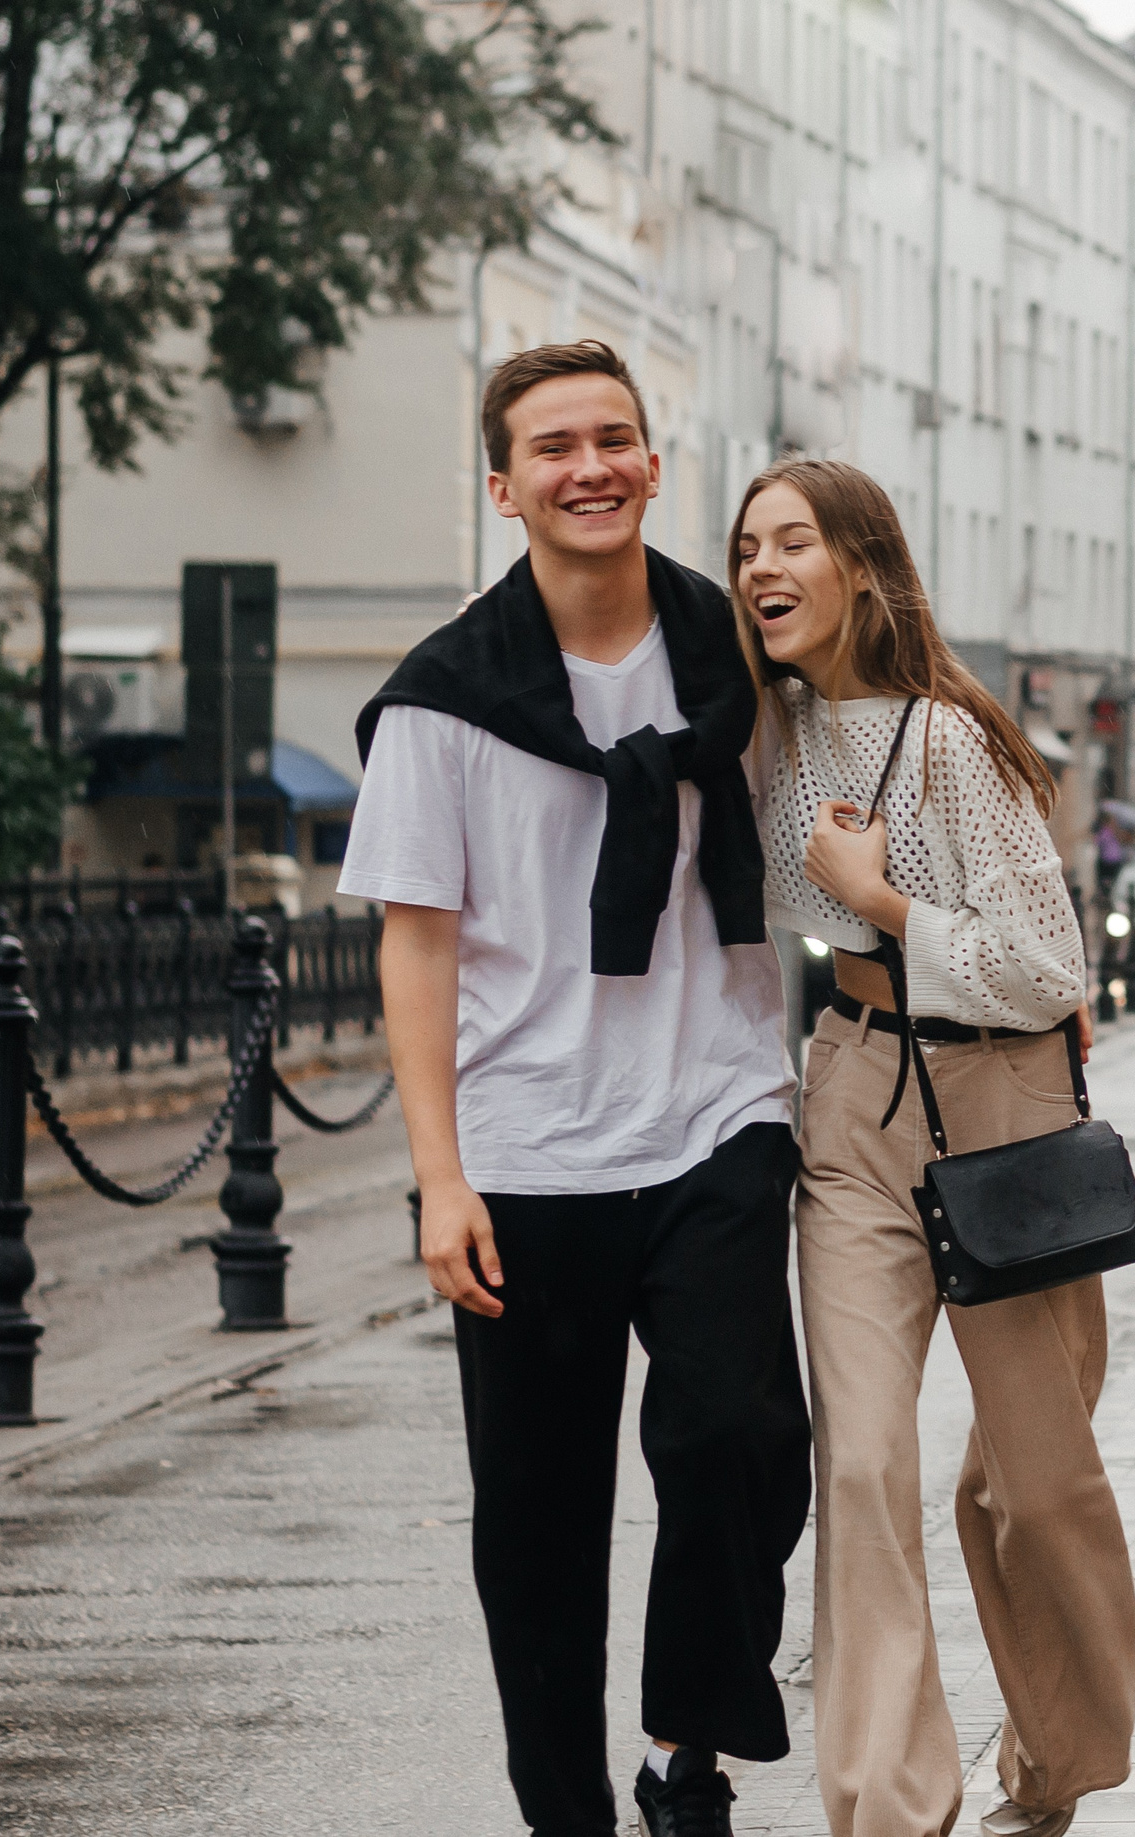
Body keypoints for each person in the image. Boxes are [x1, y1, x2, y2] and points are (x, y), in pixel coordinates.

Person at [339, 340, 810, 1837]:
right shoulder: (445, 700)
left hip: (718, 1115)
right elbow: (415, 953)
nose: (589, 466)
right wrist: (440, 1174)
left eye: (616, 438)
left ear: (656, 465)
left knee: (741, 1436)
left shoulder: (738, 660)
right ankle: (569, 1816)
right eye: (554, 447)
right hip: (528, 1150)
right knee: (538, 1528)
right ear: (504, 486)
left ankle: (687, 1748)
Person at [732, 457, 1135, 1837]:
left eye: (792, 542)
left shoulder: (955, 742)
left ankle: (1060, 1753)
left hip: (1004, 1100)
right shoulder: (767, 735)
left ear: (862, 563)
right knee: (858, 1459)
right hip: (852, 1095)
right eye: (745, 551)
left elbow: (1047, 966)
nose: (762, 571)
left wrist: (882, 902)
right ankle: (889, 1804)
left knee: (1033, 1479)